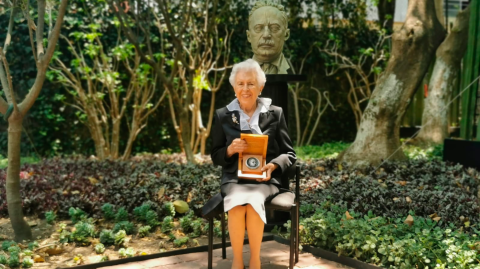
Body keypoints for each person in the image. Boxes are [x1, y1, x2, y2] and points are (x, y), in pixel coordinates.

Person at [211, 59, 296, 269]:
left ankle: (255, 260)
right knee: (237, 205)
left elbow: (289, 153)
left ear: (261, 87)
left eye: (251, 83)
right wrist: (229, 150)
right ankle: (238, 261)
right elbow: (215, 155)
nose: (245, 89)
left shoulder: (275, 113)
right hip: (234, 178)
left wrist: (274, 166)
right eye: (240, 83)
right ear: (234, 87)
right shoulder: (223, 115)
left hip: (265, 178)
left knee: (253, 200)